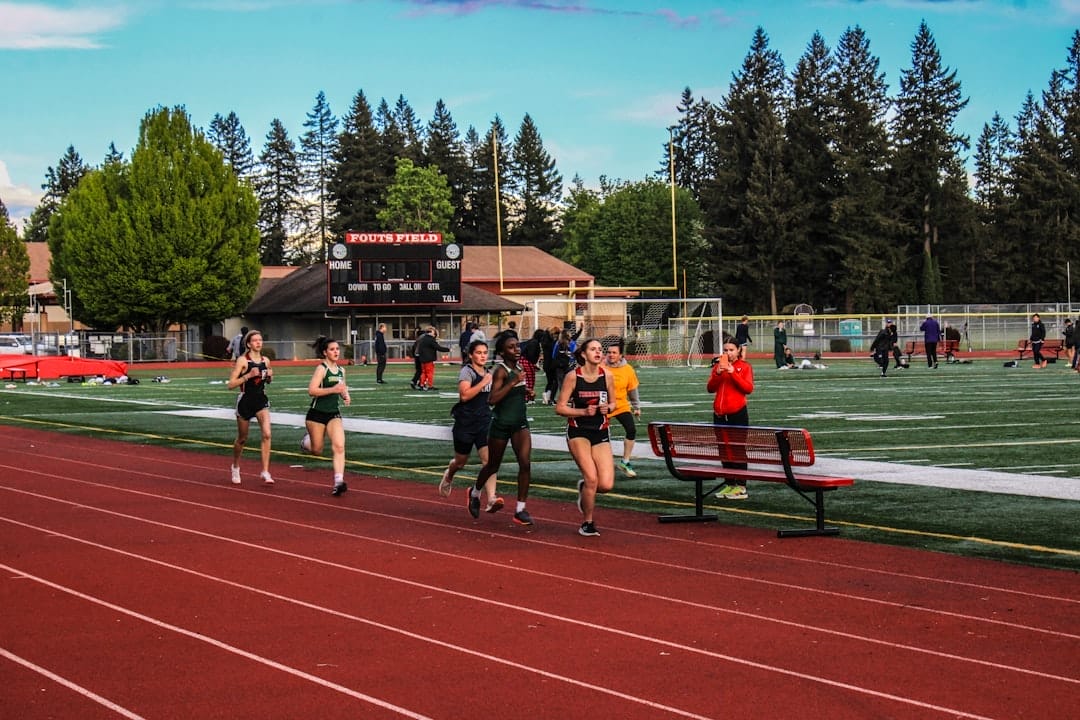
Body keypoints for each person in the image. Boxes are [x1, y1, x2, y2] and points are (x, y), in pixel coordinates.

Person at [467, 333, 536, 526]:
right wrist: (514, 382)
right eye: (511, 347)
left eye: (517, 346)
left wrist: (527, 392)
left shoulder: (520, 367)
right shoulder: (501, 371)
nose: (517, 349)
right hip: (501, 424)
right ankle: (475, 492)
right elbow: (492, 399)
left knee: (525, 463)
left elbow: (515, 394)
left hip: (520, 423)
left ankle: (520, 509)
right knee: (492, 466)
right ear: (501, 352)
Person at [557, 337, 616, 537]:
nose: (598, 352)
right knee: (592, 477)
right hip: (578, 431)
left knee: (606, 485)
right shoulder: (573, 377)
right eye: (593, 349)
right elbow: (560, 407)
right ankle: (587, 523)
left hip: (600, 430)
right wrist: (583, 412)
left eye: (600, 349)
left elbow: (614, 403)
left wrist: (608, 407)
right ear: (583, 354)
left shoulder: (607, 376)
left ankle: (584, 489)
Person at [438, 339, 501, 512]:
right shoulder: (467, 372)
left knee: (489, 461)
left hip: (484, 422)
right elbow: (464, 396)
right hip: (465, 423)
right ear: (471, 355)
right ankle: (449, 475)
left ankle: (491, 499)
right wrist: (483, 383)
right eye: (479, 353)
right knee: (460, 462)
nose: (482, 356)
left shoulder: (489, 372)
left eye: (485, 353)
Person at [300, 336, 351, 496]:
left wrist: (345, 395)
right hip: (316, 414)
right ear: (325, 352)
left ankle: (338, 482)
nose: (336, 352)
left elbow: (341, 387)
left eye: (337, 349)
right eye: (332, 349)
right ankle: (305, 441)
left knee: (339, 446)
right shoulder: (321, 369)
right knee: (317, 450)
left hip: (333, 413)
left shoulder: (342, 370)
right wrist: (332, 390)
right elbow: (312, 391)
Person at [708, 338, 755, 499]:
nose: (728, 353)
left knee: (737, 448)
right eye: (725, 350)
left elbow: (748, 388)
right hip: (720, 414)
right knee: (723, 449)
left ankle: (741, 486)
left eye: (731, 350)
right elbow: (710, 388)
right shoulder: (718, 366)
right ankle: (729, 483)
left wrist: (732, 373)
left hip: (737, 413)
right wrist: (718, 373)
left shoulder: (745, 367)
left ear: (738, 350)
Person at [227, 329, 274, 486]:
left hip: (261, 400)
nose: (258, 342)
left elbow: (267, 380)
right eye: (255, 340)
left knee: (267, 434)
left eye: (260, 340)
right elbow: (231, 384)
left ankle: (265, 471)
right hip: (245, 401)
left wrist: (269, 377)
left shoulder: (266, 360)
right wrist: (248, 375)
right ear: (248, 344)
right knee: (242, 438)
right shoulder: (242, 361)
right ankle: (235, 466)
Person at [603, 338, 641, 479]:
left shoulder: (628, 369)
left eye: (614, 352)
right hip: (604, 407)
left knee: (631, 430)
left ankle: (625, 461)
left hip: (621, 405)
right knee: (602, 436)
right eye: (609, 352)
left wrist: (637, 407)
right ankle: (603, 462)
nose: (611, 355)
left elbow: (633, 390)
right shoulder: (601, 367)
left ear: (620, 355)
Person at [416, 326, 450, 390]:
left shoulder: (423, 339)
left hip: (422, 359)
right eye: (434, 332)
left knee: (423, 372)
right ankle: (430, 385)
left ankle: (422, 384)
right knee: (430, 373)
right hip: (429, 359)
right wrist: (448, 349)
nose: (434, 334)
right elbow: (438, 347)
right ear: (431, 332)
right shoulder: (431, 339)